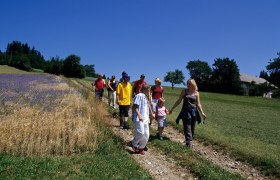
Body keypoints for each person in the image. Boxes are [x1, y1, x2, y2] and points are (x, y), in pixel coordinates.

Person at [169, 79, 207, 147]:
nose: (188, 85)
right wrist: (172, 109)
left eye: (189, 84)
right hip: (185, 112)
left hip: (194, 112)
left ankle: (188, 141)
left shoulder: (196, 93)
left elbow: (198, 104)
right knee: (187, 127)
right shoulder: (184, 91)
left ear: (193, 84)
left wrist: (202, 113)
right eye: (187, 83)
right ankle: (189, 143)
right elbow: (179, 101)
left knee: (192, 128)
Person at [131, 83, 154, 155]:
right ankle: (134, 143)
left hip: (145, 118)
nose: (149, 92)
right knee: (141, 132)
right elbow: (135, 106)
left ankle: (141, 147)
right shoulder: (139, 95)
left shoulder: (145, 97)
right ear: (146, 89)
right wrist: (139, 115)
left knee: (146, 135)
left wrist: (151, 114)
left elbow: (148, 107)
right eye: (149, 90)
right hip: (139, 118)